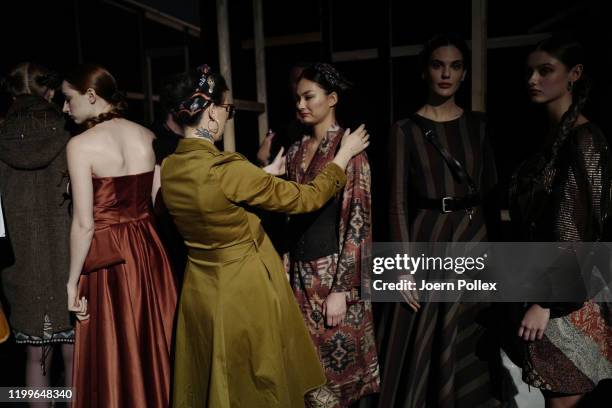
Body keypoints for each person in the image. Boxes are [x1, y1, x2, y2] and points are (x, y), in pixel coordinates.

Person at [160, 64, 370, 407]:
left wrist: (259, 174)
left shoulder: (170, 168)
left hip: (199, 293)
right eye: (226, 110)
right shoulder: (225, 168)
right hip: (244, 293)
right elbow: (306, 199)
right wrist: (342, 156)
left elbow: (214, 205)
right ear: (210, 112)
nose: (227, 118)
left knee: (215, 382)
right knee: (257, 384)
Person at [378, 33, 500, 408]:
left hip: (474, 237)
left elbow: (492, 192)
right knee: (424, 343)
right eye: (437, 64)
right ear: (424, 71)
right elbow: (395, 202)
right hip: (427, 237)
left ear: (464, 74)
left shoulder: (479, 126)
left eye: (455, 66)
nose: (446, 73)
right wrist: (401, 268)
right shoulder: (405, 130)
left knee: (471, 341)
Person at [62, 63, 177, 407]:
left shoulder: (80, 145)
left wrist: (70, 284)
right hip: (150, 249)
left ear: (92, 96)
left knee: (114, 346)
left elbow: (84, 224)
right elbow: (158, 204)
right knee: (151, 341)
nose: (65, 108)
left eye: (68, 99)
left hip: (109, 257)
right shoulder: (148, 137)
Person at [509, 35, 612, 407]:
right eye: (529, 72)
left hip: (568, 295)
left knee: (563, 399)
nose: (533, 79)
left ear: (575, 74)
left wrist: (545, 302)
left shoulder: (584, 138)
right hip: (550, 287)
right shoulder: (550, 138)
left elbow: (577, 230)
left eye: (545, 70)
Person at [285, 62, 380, 408]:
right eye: (297, 98)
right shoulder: (295, 151)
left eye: (309, 97)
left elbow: (359, 221)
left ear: (333, 98)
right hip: (299, 278)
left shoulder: (351, 150)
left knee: (341, 380)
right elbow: (289, 216)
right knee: (307, 379)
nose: (300, 105)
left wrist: (342, 289)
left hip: (335, 278)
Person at [0, 62, 73, 400]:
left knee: (36, 356)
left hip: (21, 261)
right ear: (50, 91)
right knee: (74, 354)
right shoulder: (70, 130)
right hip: (69, 258)